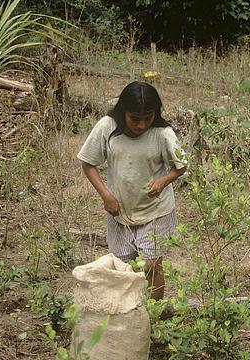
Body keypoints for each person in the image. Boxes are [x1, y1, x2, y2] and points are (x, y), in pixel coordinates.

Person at [77, 81, 186, 300]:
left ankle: (153, 316)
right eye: (135, 119)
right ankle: (127, 312)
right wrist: (106, 195)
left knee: (152, 265)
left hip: (156, 210)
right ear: (123, 112)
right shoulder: (107, 127)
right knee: (122, 266)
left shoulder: (163, 133)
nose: (142, 125)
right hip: (119, 210)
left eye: (148, 118)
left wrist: (163, 181)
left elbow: (181, 166)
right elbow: (88, 163)